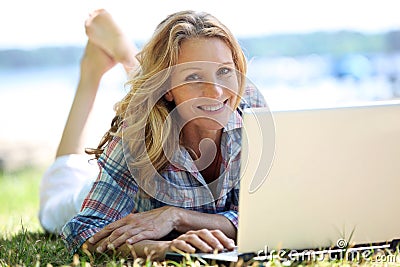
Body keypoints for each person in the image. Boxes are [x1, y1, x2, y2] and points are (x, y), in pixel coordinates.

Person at [60, 9, 267, 260]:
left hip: (166, 104)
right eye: (194, 76)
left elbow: (263, 216)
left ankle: (128, 55)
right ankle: (91, 72)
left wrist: (177, 217)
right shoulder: (138, 135)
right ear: (167, 88)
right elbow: (81, 230)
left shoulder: (252, 115)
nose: (216, 91)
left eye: (224, 71)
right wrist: (164, 249)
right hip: (95, 196)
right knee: (62, 179)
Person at [39, 9, 139, 234]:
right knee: (54, 205)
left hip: (122, 179)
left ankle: (96, 71)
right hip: (100, 193)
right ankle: (99, 70)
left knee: (66, 175)